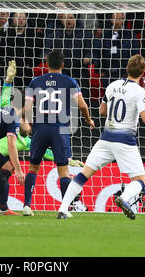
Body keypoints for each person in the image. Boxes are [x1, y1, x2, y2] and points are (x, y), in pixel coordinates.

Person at [57, 54, 145, 220]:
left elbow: (102, 111)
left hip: (105, 139)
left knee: (84, 174)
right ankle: (124, 198)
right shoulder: (140, 92)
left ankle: (62, 208)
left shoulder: (113, 85)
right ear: (143, 72)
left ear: (127, 68)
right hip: (125, 141)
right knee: (141, 182)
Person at [22, 49, 95, 216]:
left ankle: (27, 205)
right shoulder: (70, 82)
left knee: (33, 168)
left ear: (46, 64)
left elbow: (26, 108)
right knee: (63, 170)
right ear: (63, 64)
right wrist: (88, 119)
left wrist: (31, 125)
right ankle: (64, 209)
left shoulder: (35, 81)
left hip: (40, 127)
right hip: (60, 129)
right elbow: (82, 105)